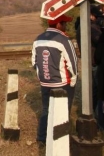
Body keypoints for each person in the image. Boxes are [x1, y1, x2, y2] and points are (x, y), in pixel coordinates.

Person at [32, 14, 78, 144]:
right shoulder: (64, 40)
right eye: (64, 23)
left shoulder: (38, 39)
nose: (65, 26)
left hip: (45, 82)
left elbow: (34, 61)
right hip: (63, 82)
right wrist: (74, 79)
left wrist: (41, 76)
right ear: (58, 24)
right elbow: (72, 62)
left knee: (46, 109)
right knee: (63, 112)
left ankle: (42, 138)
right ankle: (59, 140)